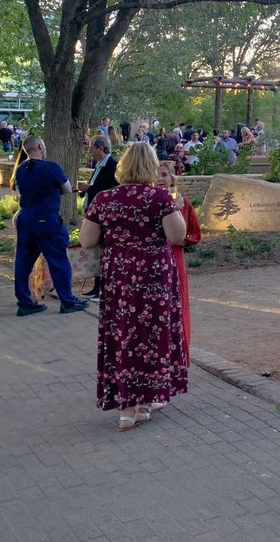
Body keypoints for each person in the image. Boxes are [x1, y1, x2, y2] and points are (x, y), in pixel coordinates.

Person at [79, 142, 188, 431]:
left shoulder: (104, 198)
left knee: (122, 333)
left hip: (119, 276)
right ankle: (145, 401)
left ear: (123, 166)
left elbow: (87, 240)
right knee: (152, 335)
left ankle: (126, 409)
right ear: (150, 166)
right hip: (154, 275)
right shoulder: (159, 198)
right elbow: (177, 236)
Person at [11, 135, 89, 317]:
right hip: (47, 219)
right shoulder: (51, 167)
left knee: (23, 262)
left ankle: (24, 302)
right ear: (39, 146)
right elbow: (67, 188)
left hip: (26, 218)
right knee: (58, 259)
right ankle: (67, 300)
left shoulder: (20, 170)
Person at [156, 161, 200, 360]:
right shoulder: (148, 203)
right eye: (156, 175)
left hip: (175, 257)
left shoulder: (184, 203)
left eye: (164, 175)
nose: (160, 179)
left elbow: (195, 233)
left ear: (172, 178)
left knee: (178, 304)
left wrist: (183, 240)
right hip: (155, 260)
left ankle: (180, 354)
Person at [77, 136, 119, 301]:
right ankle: (96, 287)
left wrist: (89, 188)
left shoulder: (112, 166)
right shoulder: (99, 166)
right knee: (96, 251)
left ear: (100, 148)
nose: (90, 153)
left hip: (104, 214)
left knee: (102, 250)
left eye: (91, 149)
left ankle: (102, 288)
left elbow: (110, 190)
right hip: (93, 212)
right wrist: (85, 190)